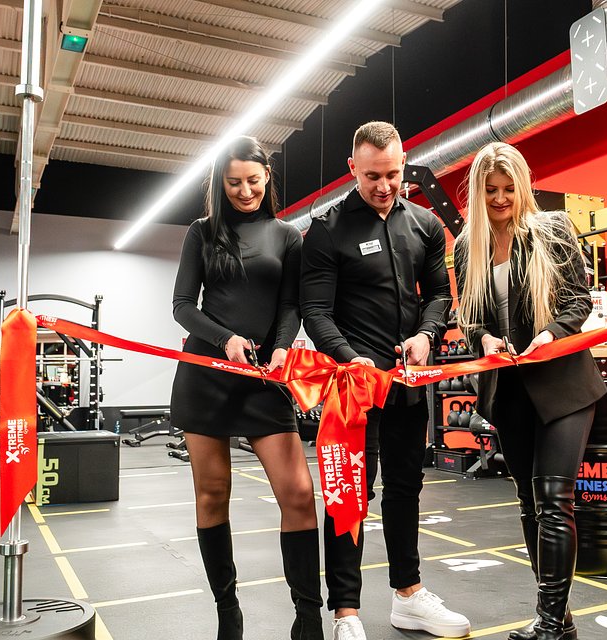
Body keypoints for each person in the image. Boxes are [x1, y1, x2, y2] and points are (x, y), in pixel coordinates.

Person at [301, 121, 468, 640]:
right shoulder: (328, 229)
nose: (384, 185)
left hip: (408, 382)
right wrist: (351, 359)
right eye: (373, 175)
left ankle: (408, 595)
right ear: (353, 168)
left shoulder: (424, 224)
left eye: (393, 174)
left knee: (405, 487)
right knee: (348, 496)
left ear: (404, 165)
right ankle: (345, 613)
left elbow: (439, 294)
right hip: (353, 387)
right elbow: (315, 311)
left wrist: (426, 335)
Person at [453, 142, 607, 640]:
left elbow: (578, 299)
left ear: (522, 187)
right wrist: (483, 338)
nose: (500, 199)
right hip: (509, 388)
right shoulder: (468, 246)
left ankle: (548, 626)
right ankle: (559, 622)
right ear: (478, 194)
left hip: (563, 384)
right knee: (528, 501)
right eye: (490, 190)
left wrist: (550, 334)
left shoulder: (553, 230)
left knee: (554, 499)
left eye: (508, 188)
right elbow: (469, 315)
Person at [170, 136, 322, 640]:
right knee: (213, 493)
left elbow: (290, 306)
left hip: (264, 379)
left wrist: (281, 348)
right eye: (234, 182)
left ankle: (308, 619)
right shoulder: (201, 232)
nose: (244, 191)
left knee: (298, 493)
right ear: (221, 182)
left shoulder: (287, 237)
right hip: (207, 375)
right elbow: (183, 306)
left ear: (267, 177)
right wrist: (226, 339)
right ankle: (228, 614)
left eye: (253, 181)